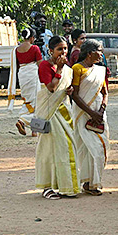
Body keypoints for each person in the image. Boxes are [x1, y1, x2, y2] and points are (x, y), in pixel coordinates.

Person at [34, 35, 80, 199]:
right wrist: (59, 70)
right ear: (50, 50)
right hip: (50, 114)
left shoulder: (68, 69)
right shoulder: (46, 66)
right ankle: (47, 186)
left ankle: (65, 185)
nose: (63, 52)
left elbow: (63, 89)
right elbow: (51, 88)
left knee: (65, 149)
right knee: (49, 150)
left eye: (65, 48)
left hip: (64, 112)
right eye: (59, 49)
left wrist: (69, 91)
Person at [69, 39, 108, 195]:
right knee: (87, 147)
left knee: (101, 146)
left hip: (99, 112)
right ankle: (89, 182)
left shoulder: (100, 70)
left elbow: (105, 93)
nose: (101, 54)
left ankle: (93, 181)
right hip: (83, 113)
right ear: (90, 52)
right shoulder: (77, 69)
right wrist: (91, 113)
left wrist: (101, 110)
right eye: (100, 50)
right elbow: (76, 95)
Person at [10, 28, 43, 136]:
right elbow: (40, 64)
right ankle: (23, 121)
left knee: (28, 101)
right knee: (37, 102)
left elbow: (16, 65)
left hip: (22, 75)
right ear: (32, 38)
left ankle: (34, 130)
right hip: (33, 74)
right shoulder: (34, 48)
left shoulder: (16, 50)